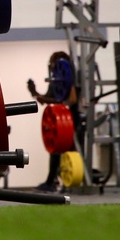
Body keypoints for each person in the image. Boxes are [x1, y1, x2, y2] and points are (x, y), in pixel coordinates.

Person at [28, 51, 80, 193]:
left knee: (71, 150)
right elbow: (48, 98)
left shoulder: (70, 79)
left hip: (70, 118)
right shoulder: (56, 81)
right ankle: (51, 182)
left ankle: (68, 183)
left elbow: (71, 100)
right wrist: (34, 92)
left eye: (52, 63)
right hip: (59, 119)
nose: (51, 66)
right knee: (55, 150)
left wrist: (45, 99)